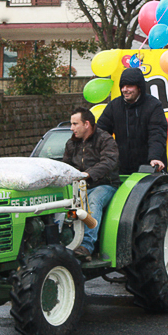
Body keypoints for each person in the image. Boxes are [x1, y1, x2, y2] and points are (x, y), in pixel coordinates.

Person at [62, 107, 120, 262]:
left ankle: (87, 246)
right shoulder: (71, 143)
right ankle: (64, 242)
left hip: (105, 185)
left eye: (75, 124)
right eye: (71, 124)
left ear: (86, 124)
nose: (71, 128)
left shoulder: (105, 139)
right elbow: (66, 165)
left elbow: (109, 161)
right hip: (80, 187)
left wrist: (88, 174)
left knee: (92, 201)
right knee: (63, 205)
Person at [95, 67, 168, 175]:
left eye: (129, 86)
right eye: (122, 86)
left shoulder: (154, 105)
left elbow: (157, 134)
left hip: (150, 168)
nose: (125, 89)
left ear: (139, 87)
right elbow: (100, 133)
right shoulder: (114, 106)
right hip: (122, 168)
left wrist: (155, 157)